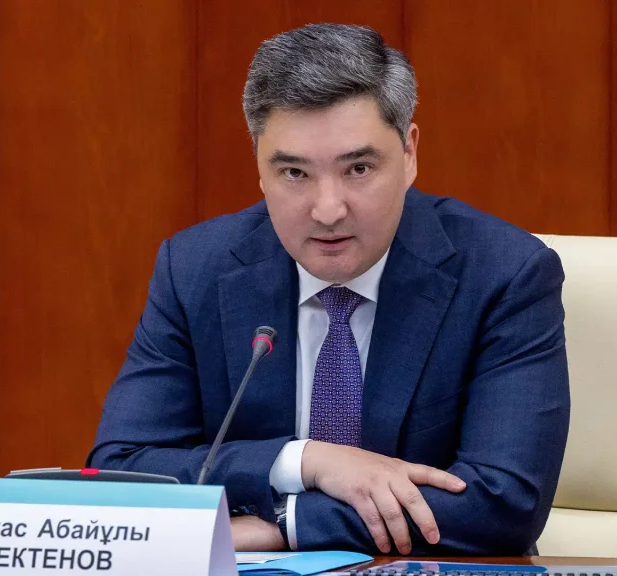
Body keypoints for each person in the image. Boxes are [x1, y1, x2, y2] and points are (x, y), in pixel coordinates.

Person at [88, 23, 570, 556]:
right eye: (295, 173)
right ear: (259, 167)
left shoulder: (504, 275)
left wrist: (288, 526)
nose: (327, 210)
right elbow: (121, 472)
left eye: (358, 168)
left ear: (409, 153)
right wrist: (305, 461)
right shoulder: (195, 269)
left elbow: (504, 503)